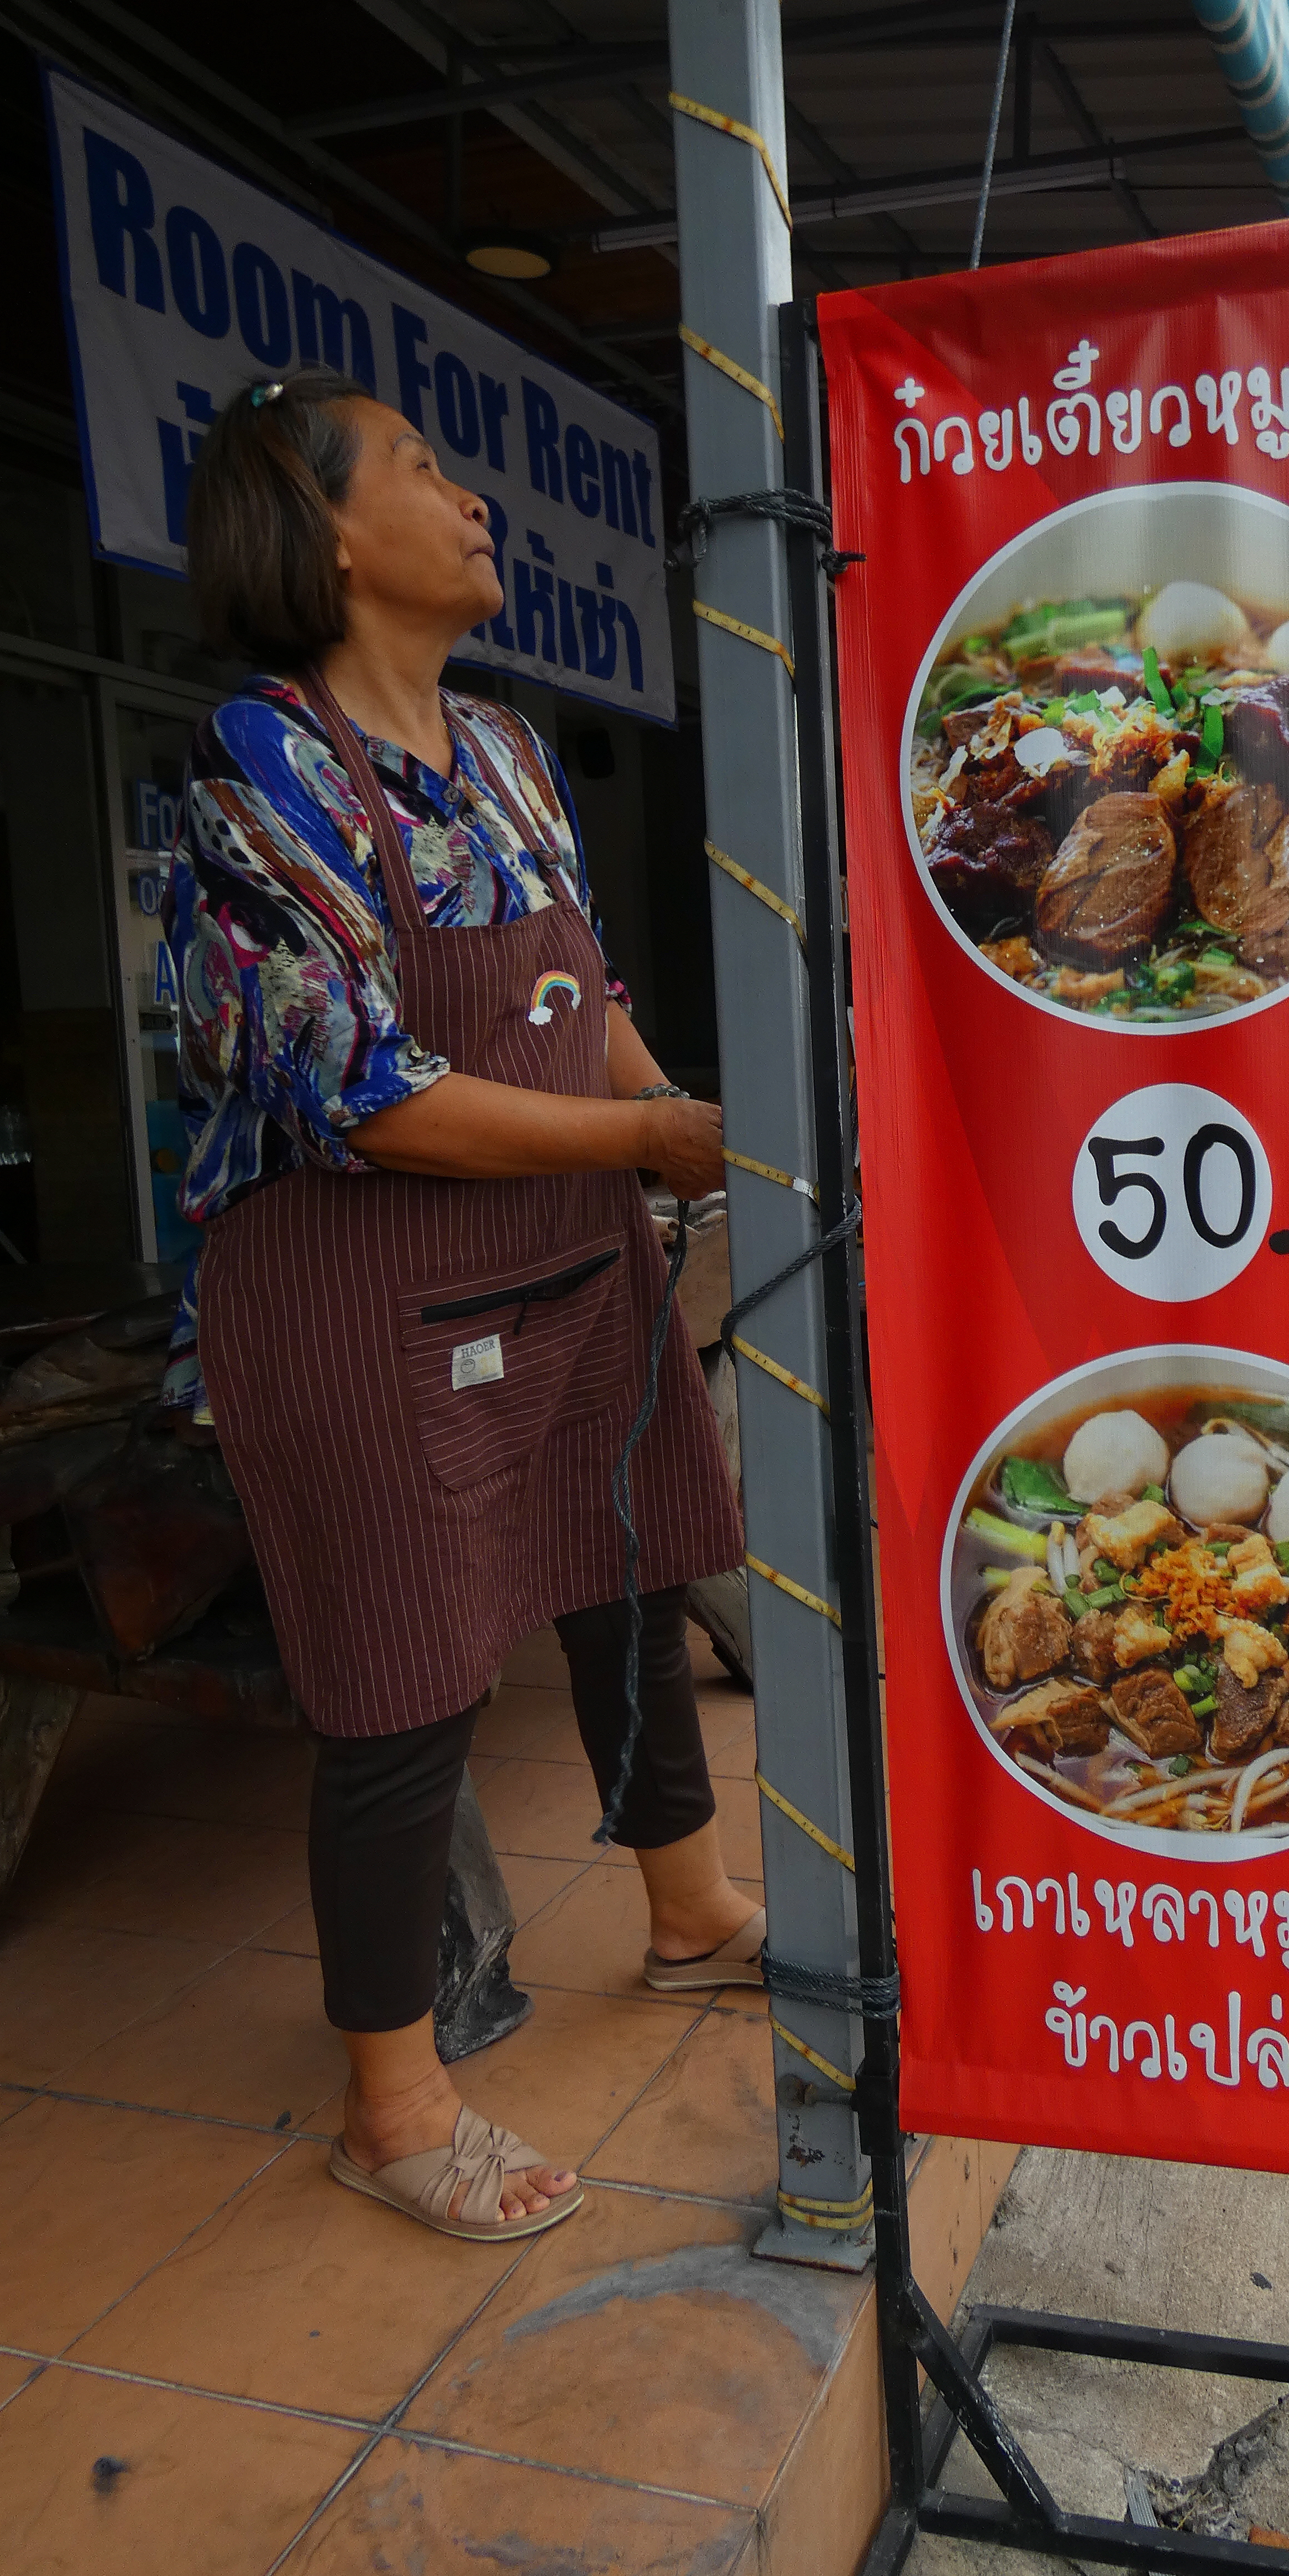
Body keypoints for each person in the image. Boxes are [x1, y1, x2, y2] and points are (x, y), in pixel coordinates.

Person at [163, 369, 759, 2243]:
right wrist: (649, 1128)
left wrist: (685, 1132)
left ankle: (685, 1906)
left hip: (571, 1252)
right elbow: (365, 1084)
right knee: (404, 1670)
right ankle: (395, 2098)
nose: (473, 496)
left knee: (627, 1570)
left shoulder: (504, 749)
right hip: (359, 1283)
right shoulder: (259, 766)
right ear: (326, 526)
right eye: (425, 469)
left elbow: (583, 994)